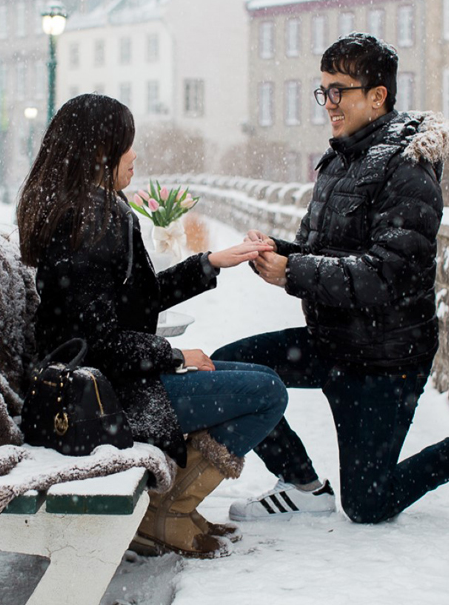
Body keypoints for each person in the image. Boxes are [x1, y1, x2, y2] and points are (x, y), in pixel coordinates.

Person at [213, 33, 449, 524]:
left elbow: (385, 276)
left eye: (338, 90)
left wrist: (293, 271)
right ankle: (303, 483)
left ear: (377, 96)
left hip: (385, 359)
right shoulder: (339, 161)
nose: (328, 103)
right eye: (323, 91)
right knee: (223, 374)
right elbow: (324, 253)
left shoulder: (409, 171)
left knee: (368, 505)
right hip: (330, 342)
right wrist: (275, 252)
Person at [16, 93, 288, 558]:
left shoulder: (91, 210)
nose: (134, 155)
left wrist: (209, 263)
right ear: (100, 151)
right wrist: (176, 355)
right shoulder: (91, 221)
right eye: (127, 144)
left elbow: (133, 304)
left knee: (260, 379)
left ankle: (168, 507)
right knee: (267, 393)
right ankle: (167, 512)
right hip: (107, 398)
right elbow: (98, 343)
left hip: (107, 384)